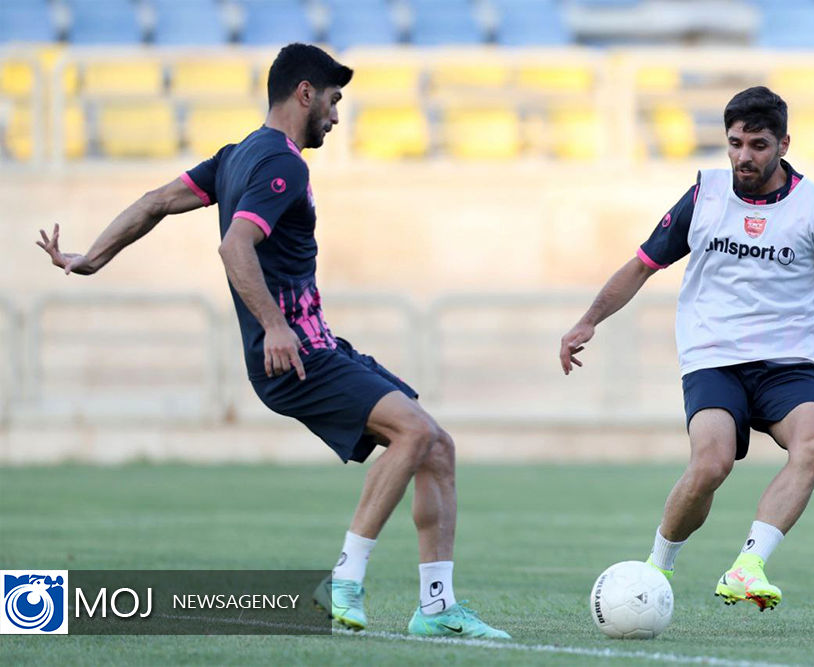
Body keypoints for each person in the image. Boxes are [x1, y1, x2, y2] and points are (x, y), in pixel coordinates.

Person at [36, 43, 509, 639]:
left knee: (436, 444)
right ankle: (346, 578)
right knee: (413, 432)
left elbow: (156, 202)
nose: (337, 117)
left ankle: (438, 610)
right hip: (295, 354)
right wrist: (275, 325)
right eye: (334, 102)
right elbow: (235, 246)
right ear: (305, 92)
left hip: (315, 348)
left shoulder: (236, 156)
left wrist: (91, 258)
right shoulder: (285, 164)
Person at [559, 86, 814, 611]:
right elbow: (643, 263)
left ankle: (748, 566)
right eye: (734, 143)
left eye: (757, 145)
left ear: (783, 144)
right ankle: (655, 569)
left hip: (790, 362)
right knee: (711, 464)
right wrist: (587, 321)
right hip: (714, 357)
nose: (743, 157)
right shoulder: (704, 195)